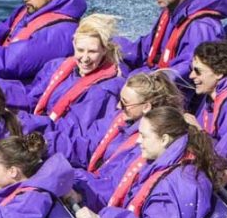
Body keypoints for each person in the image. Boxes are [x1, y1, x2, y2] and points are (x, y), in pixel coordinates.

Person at [74, 107, 221, 218]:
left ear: (164, 139)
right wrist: (82, 193)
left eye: (143, 136)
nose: (138, 141)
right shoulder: (159, 163)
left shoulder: (180, 183)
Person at [0, 13, 127, 135]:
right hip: (37, 126)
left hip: (56, 141)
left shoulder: (103, 91)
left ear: (104, 50)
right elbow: (32, 96)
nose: (85, 58)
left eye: (92, 52)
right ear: (73, 44)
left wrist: (19, 120)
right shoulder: (56, 66)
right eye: (80, 50)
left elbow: (72, 130)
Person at [115, 0, 227, 87]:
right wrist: (109, 46)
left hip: (179, 94)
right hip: (157, 81)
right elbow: (144, 49)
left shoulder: (201, 26)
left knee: (107, 91)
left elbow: (191, 69)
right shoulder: (169, 15)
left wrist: (149, 81)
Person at [48, 71, 184, 173]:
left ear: (146, 107)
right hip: (90, 180)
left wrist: (72, 177)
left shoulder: (146, 143)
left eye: (125, 103)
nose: (118, 106)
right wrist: (46, 143)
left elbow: (108, 182)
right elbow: (84, 147)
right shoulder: (121, 118)